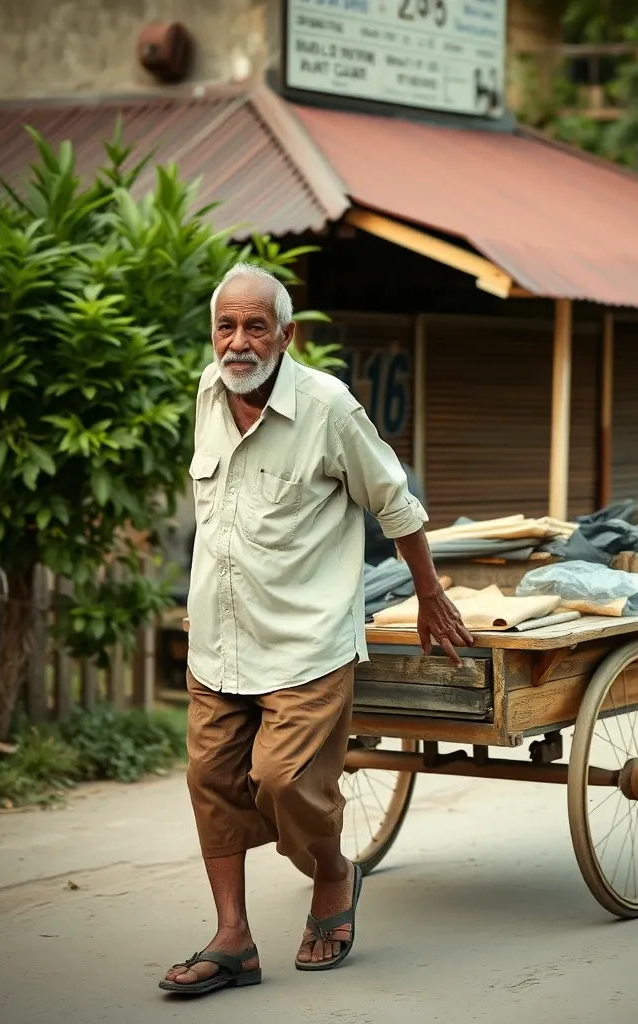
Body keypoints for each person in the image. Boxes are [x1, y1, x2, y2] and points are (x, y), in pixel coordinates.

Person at [160, 264, 473, 995]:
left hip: (305, 645)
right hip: (218, 638)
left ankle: (334, 873)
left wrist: (428, 595)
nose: (238, 343)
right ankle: (233, 939)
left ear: (286, 335)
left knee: (283, 782)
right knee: (211, 781)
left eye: (255, 326)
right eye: (225, 327)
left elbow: (394, 503)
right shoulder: (210, 392)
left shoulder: (328, 408)